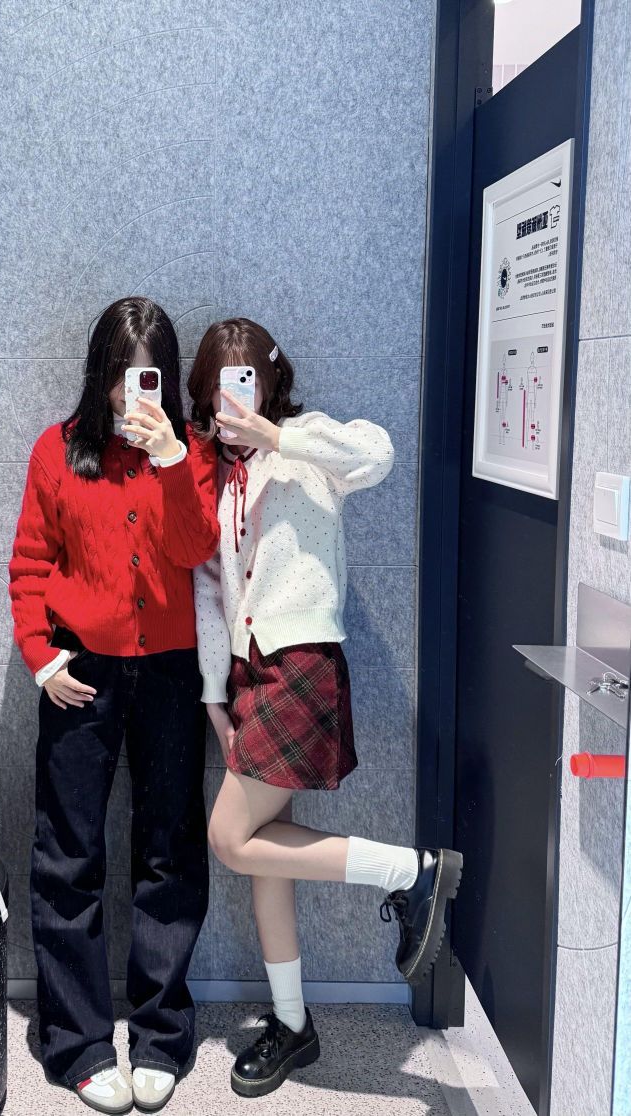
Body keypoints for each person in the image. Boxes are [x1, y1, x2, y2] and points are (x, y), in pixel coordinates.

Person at [188, 318, 463, 1099]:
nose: (232, 396)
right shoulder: (210, 474)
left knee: (229, 837)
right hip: (247, 672)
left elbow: (377, 454)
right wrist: (213, 693)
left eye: (246, 378)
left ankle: (410, 871)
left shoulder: (306, 446)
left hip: (301, 665)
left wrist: (277, 436)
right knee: (261, 853)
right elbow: (207, 590)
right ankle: (291, 1024)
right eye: (219, 382)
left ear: (270, 381)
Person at [9, 296, 220, 1115]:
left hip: (168, 671)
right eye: (121, 378)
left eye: (149, 378)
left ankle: (162, 1035)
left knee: (170, 849)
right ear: (99, 374)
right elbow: (30, 563)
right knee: (69, 854)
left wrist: (170, 459)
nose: (133, 394)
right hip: (80, 670)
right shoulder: (56, 451)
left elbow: (195, 548)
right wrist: (42, 657)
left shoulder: (189, 453)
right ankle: (77, 1041)